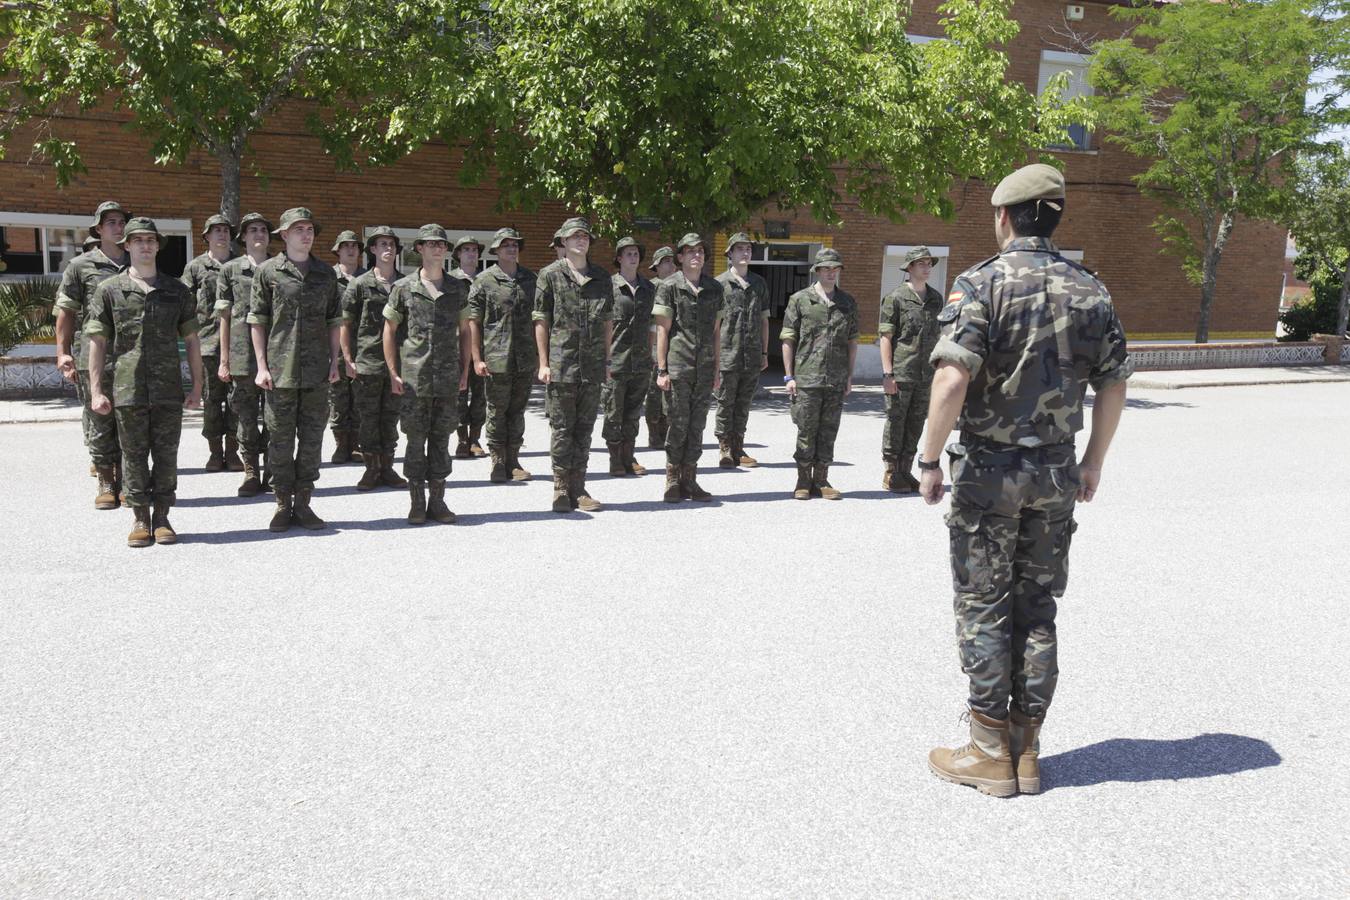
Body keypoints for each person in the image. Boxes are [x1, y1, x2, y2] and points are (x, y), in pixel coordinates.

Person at [920, 163, 1132, 798]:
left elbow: (951, 378)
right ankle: (1027, 748)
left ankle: (989, 753)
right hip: (1056, 473)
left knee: (985, 603)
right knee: (1038, 606)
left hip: (990, 472)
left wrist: (927, 460)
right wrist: (1093, 461)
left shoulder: (981, 284)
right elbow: (1115, 383)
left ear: (1005, 216)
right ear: (1054, 217)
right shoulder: (1091, 290)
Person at [84, 218, 204, 547]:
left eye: (151, 240)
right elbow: (97, 342)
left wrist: (197, 386)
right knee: (133, 455)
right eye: (138, 240)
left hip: (167, 389)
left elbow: (192, 341)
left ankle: (162, 516)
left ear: (158, 245)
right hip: (128, 388)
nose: (145, 245)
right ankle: (139, 517)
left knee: (166, 455)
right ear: (127, 245)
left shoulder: (176, 290)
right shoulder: (110, 290)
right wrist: (96, 390)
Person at [248, 207, 342, 532]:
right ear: (285, 235)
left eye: (310, 229)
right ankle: (281, 503)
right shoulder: (268, 272)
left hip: (316, 372)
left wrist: (335, 361)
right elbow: (257, 321)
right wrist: (261, 366)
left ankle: (303, 503)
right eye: (299, 229)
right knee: (280, 441)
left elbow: (334, 321)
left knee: (312, 440)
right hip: (280, 372)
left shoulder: (326, 274)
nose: (306, 234)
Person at [382, 224, 471, 525]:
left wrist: (465, 369)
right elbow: (389, 331)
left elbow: (465, 331)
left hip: (447, 379)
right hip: (414, 379)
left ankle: (438, 500)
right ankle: (417, 502)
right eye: (431, 244)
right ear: (419, 248)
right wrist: (393, 372)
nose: (437, 248)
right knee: (415, 440)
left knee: (442, 440)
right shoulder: (404, 288)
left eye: (441, 244)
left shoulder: (457, 288)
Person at [533, 217, 613, 513]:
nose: (581, 240)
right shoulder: (550, 275)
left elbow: (607, 322)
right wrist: (543, 363)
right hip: (561, 364)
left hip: (592, 366)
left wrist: (607, 360)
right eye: (575, 236)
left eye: (585, 236)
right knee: (562, 429)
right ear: (563, 242)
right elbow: (541, 320)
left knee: (584, 429)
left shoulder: (602, 277)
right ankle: (561, 488)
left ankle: (579, 488)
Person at [54, 200, 129, 508]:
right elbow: (66, 311)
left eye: (121, 222)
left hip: (132, 356)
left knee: (130, 419)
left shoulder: (138, 260)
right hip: (94, 355)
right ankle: (106, 480)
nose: (118, 227)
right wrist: (63, 352)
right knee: (100, 419)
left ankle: (127, 479)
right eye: (111, 222)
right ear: (98, 229)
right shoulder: (80, 265)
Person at [781, 248, 858, 500]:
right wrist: (789, 376)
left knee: (828, 431)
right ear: (817, 271)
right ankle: (803, 481)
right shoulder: (800, 300)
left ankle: (822, 480)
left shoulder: (847, 302)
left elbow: (852, 341)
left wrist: (849, 376)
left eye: (835, 268)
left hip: (835, 379)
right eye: (826, 268)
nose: (831, 273)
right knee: (806, 430)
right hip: (807, 378)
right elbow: (788, 339)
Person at [652, 233, 722, 503]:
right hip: (678, 368)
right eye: (690, 251)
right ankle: (672, 480)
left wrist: (716, 369)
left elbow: (716, 332)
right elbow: (662, 331)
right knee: (677, 425)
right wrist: (662, 370)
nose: (696, 255)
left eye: (700, 251)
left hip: (704, 369)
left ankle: (690, 480)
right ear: (680, 257)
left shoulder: (714, 288)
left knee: (697, 426)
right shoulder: (669, 286)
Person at [467, 227, 537, 484]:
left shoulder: (531, 279)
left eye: (515, 244)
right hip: (496, 358)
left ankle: (513, 460)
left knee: (517, 411)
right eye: (506, 245)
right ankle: (498, 461)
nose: (511, 248)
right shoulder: (484, 280)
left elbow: (540, 320)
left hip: (524, 358)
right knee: (497, 411)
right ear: (496, 250)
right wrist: (477, 358)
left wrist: (541, 357)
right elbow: (474, 322)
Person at [341, 226, 407, 491]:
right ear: (372, 249)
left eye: (391, 244)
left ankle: (387, 467)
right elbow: (345, 323)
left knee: (390, 418)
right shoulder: (360, 284)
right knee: (368, 418)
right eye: (382, 244)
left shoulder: (405, 284)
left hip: (398, 364)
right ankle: (371, 468)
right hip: (368, 361)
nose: (387, 248)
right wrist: (348, 358)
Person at [215, 212, 273, 497]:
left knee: (276, 418)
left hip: (277, 353)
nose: (259, 234)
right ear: (243, 237)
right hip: (241, 355)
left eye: (263, 230)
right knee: (246, 418)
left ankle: (272, 470)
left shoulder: (279, 268)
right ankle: (251, 471)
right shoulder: (230, 270)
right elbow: (224, 317)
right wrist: (224, 360)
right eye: (253, 230)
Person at [878, 246, 944, 493]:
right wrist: (888, 374)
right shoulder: (895, 298)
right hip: (902, 372)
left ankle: (906, 471)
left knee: (916, 422)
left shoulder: (936, 298)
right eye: (921, 263)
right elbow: (886, 337)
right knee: (896, 422)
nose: (927, 268)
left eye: (929, 264)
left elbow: (940, 335)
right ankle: (891, 472)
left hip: (926, 374)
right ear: (910, 267)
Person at [181, 213, 240, 473]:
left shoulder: (240, 265)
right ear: (206, 236)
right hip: (206, 343)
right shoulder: (196, 267)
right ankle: (215, 452)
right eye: (216, 230)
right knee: (212, 400)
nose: (222, 234)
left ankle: (233, 451)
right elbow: (185, 304)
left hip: (238, 343)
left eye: (225, 230)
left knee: (236, 400)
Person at [714, 231, 770, 469]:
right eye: (740, 248)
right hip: (727, 354)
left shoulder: (759, 284)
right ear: (729, 253)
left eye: (748, 249)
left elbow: (764, 320)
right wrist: (714, 358)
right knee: (726, 402)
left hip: (752, 355)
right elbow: (715, 326)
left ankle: (738, 447)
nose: (745, 252)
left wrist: (765, 353)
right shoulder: (719, 284)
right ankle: (725, 448)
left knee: (743, 403)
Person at [602, 236, 655, 477]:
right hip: (616, 361)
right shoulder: (608, 286)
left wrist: (651, 355)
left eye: (636, 254)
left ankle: (628, 456)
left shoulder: (648, 288)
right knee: (614, 412)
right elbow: (603, 325)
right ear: (619, 258)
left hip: (641, 361)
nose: (633, 257)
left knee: (633, 413)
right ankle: (615, 458)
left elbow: (653, 325)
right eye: (628, 254)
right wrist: (604, 358)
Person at [451, 235, 489, 460]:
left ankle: (475, 438)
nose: (471, 253)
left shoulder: (486, 280)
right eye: (466, 249)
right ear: (458, 254)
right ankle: (462, 438)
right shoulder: (450, 281)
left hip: (486, 346)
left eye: (474, 250)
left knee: (480, 395)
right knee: (459, 395)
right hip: (457, 346)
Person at [328, 230, 365, 464]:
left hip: (363, 346)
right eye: (346, 246)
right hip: (335, 347)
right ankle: (341, 444)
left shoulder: (367, 278)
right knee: (338, 396)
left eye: (354, 246)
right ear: (338, 250)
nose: (351, 250)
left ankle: (357, 443)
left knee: (360, 396)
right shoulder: (328, 278)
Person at [644, 246, 677, 449]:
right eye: (666, 261)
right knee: (654, 393)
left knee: (670, 393)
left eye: (673, 261)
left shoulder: (679, 285)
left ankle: (667, 430)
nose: (671, 265)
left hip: (675, 347)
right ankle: (654, 433)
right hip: (654, 345)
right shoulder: (650, 287)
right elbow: (648, 322)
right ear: (656, 266)